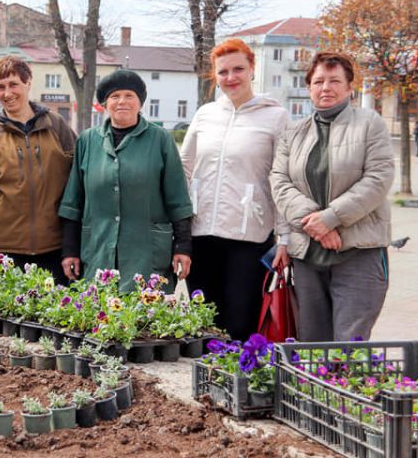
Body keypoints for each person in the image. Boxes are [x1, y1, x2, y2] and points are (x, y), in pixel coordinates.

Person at [270, 51, 394, 341]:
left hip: (358, 251)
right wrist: (314, 224)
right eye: (318, 81)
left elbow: (379, 178)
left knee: (350, 342)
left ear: (350, 87)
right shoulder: (293, 132)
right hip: (308, 255)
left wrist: (331, 218)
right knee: (312, 342)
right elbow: (279, 180)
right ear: (309, 88)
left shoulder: (369, 124)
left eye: (335, 80)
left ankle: (345, 387)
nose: (326, 87)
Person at [179, 39, 290, 341]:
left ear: (253, 68)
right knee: (205, 322)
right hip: (202, 233)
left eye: (238, 69)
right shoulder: (205, 115)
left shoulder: (275, 117)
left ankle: (239, 383)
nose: (231, 77)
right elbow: (183, 170)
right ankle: (206, 383)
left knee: (241, 321)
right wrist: (178, 230)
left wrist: (285, 238)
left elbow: (282, 179)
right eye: (223, 71)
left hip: (249, 238)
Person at [58, 70, 193, 294]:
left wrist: (183, 246)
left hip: (146, 254)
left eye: (129, 95)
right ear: (104, 104)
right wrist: (70, 250)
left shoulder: (160, 139)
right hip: (97, 251)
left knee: (144, 323)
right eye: (115, 96)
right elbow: (74, 201)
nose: (122, 101)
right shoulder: (87, 141)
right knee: (98, 321)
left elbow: (178, 199)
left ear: (140, 102)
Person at [0, 56, 76, 285]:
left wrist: (75, 242)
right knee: (12, 316)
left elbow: (79, 182)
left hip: (55, 247)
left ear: (28, 83)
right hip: (6, 250)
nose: (7, 93)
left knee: (57, 317)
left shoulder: (57, 127)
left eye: (13, 84)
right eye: (0, 87)